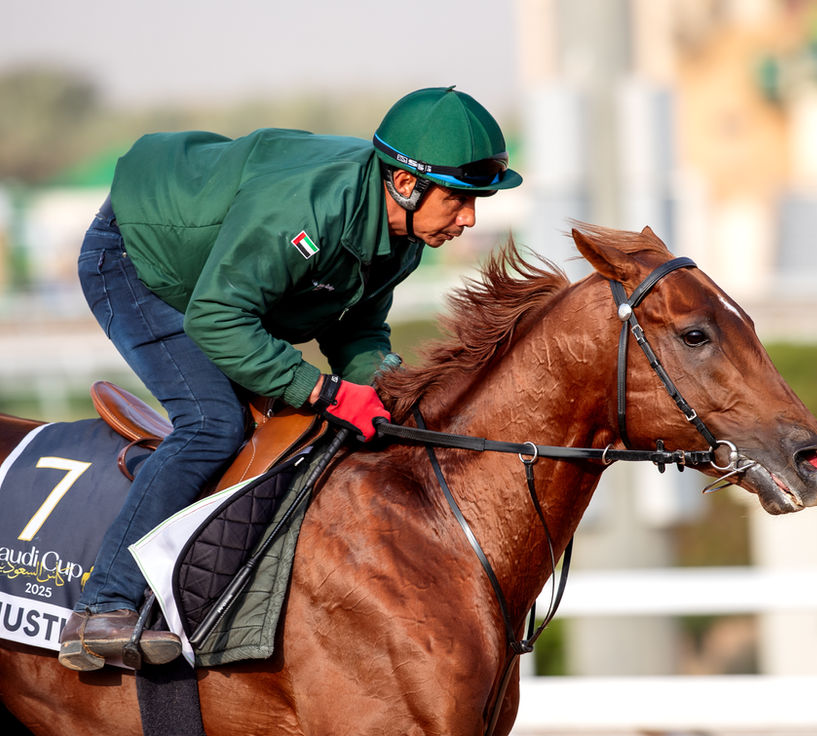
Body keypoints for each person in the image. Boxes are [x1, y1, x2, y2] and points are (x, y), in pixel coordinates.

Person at [59, 86, 522, 671]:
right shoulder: (308, 211)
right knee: (212, 424)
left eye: (476, 201)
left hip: (215, 276)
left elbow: (358, 332)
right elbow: (218, 317)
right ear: (406, 183)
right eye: (457, 198)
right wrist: (324, 391)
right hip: (137, 257)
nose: (469, 218)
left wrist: (390, 390)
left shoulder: (404, 238)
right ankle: (102, 607)